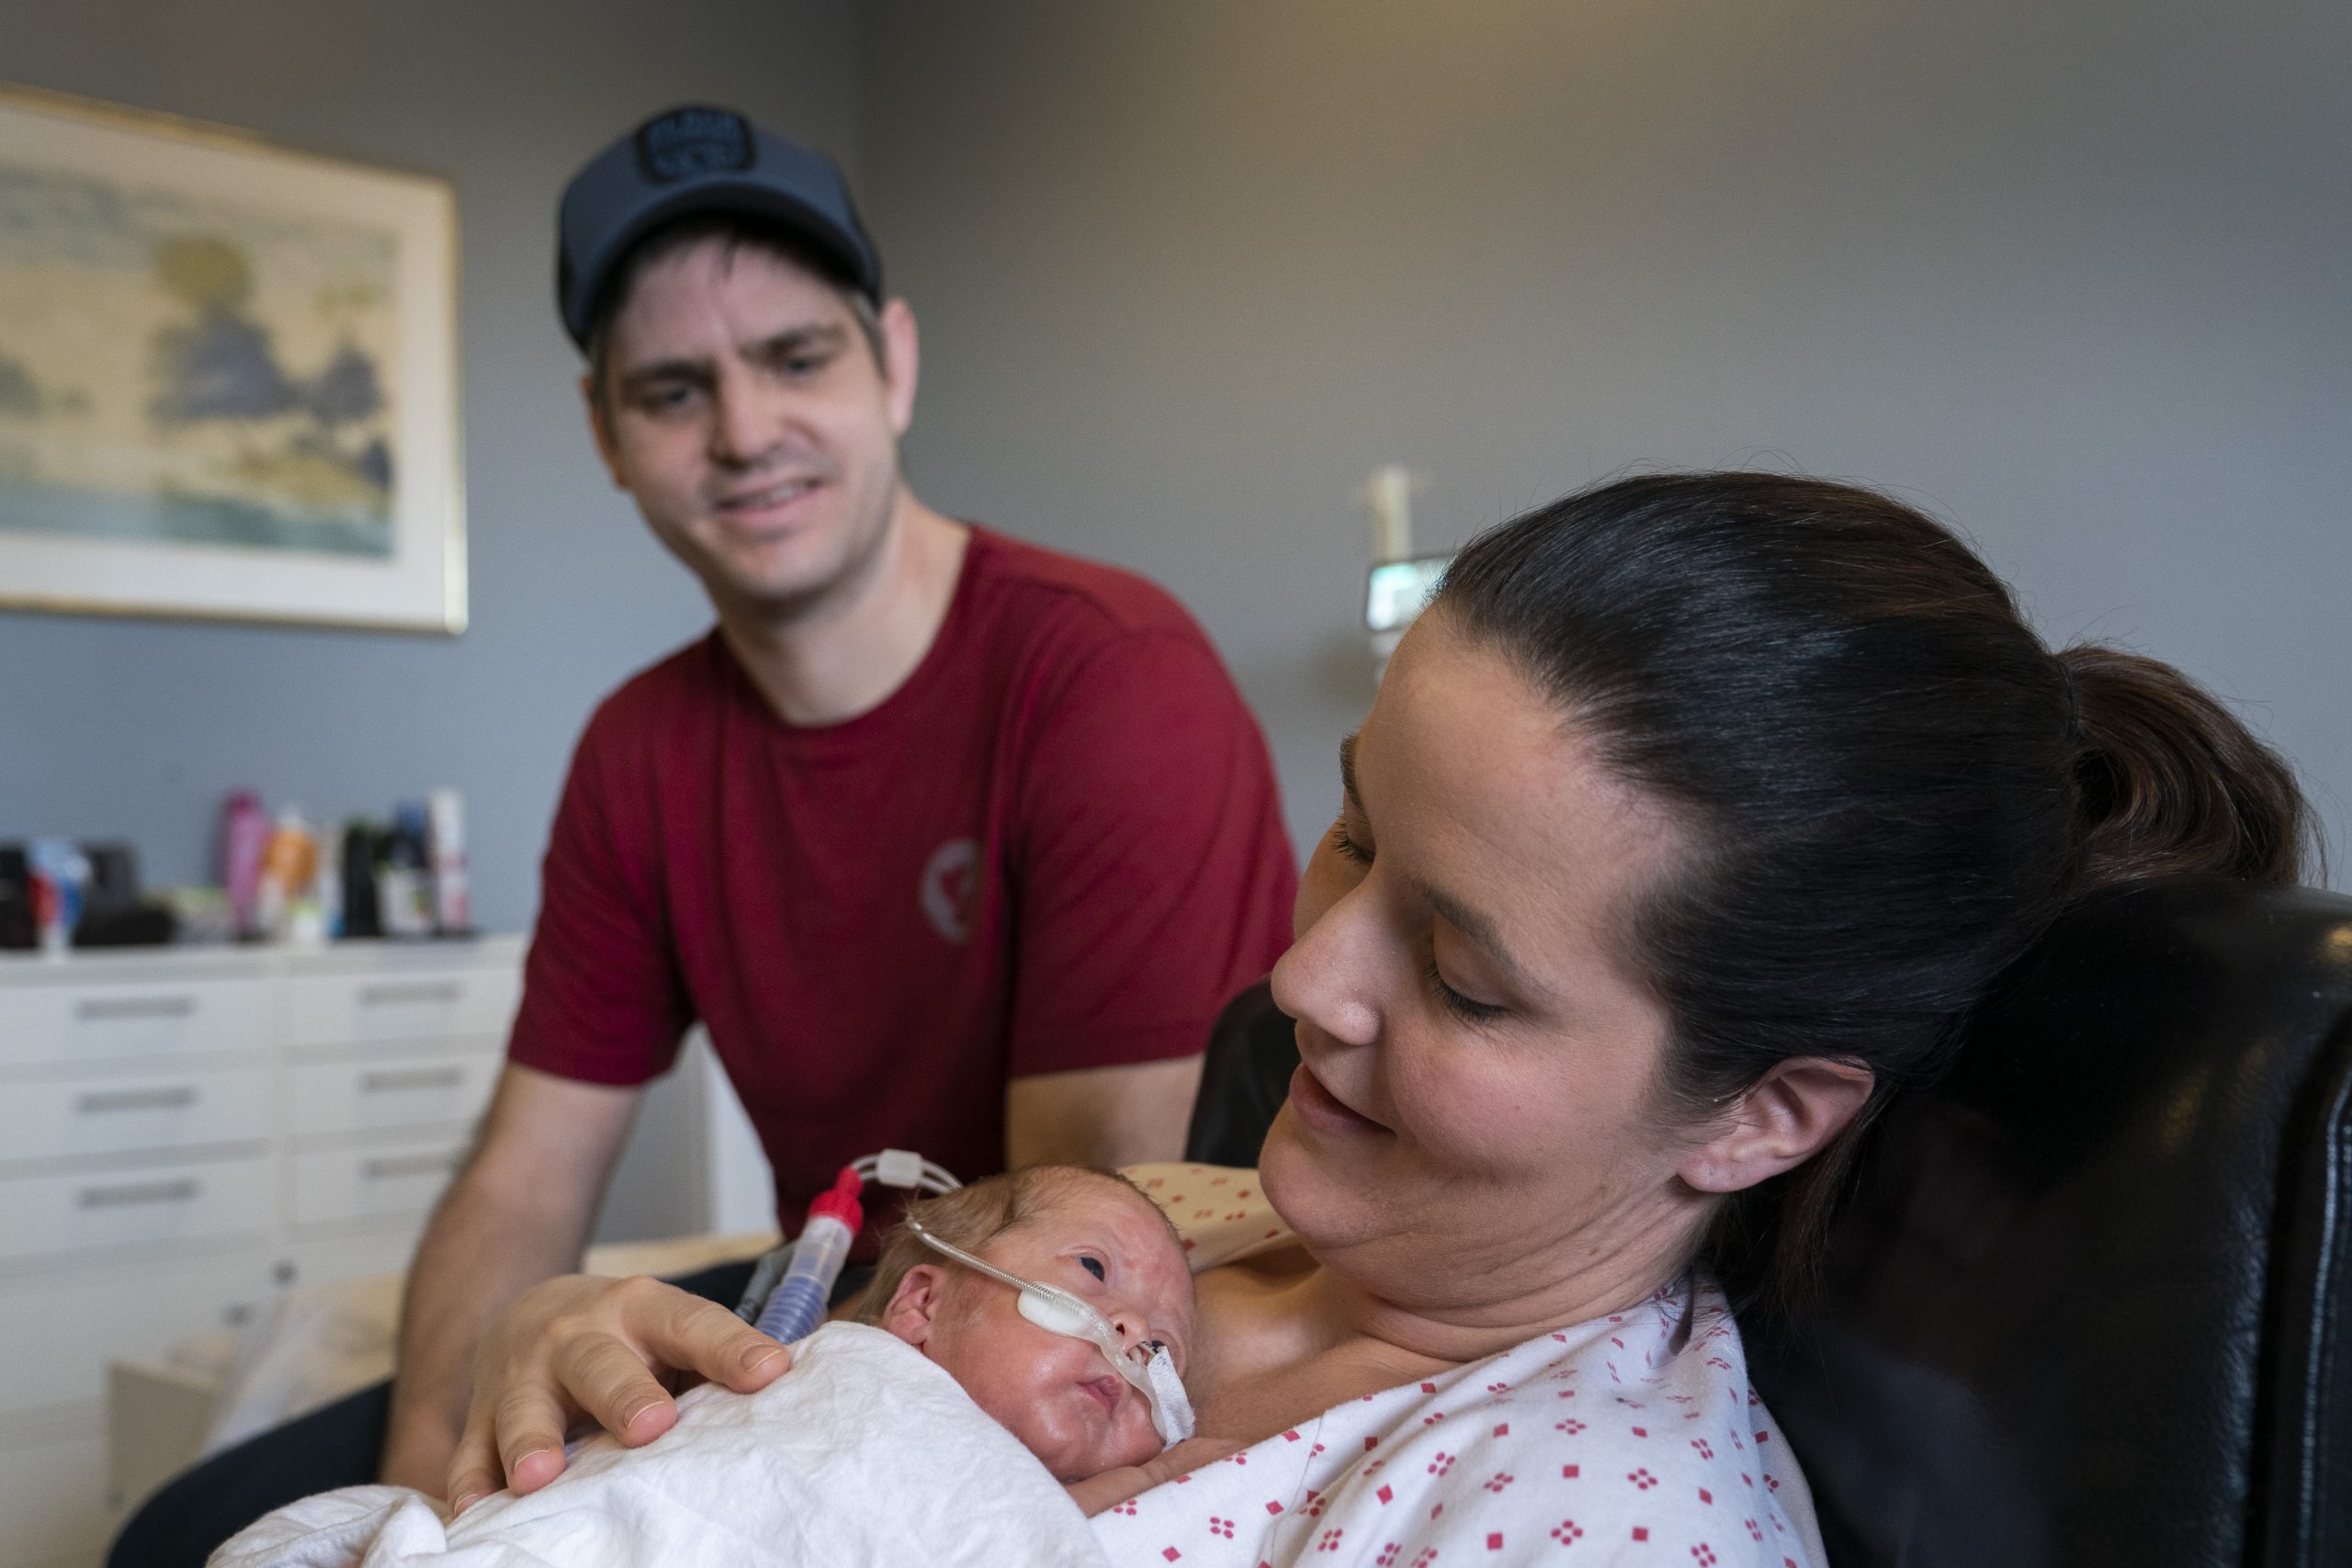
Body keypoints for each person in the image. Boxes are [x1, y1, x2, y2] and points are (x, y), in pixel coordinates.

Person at [435, 472, 2315, 1562]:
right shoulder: (1174, 1219)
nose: (1298, 977)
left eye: (1460, 976)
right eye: (1347, 833)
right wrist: (597, 1347)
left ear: (1756, 1112)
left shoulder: (1582, 1514)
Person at [373, 105, 1296, 1498]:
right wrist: (423, 1501)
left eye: (797, 358)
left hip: (1005, 1378)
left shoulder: (1107, 678)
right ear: (607, 432)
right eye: (675, 389)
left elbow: (1066, 1265)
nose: (746, 431)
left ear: (895, 362)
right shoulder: (640, 752)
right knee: (200, 1526)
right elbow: (522, 1181)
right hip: (835, 1316)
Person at [208, 1168, 1231, 1568]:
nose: (1128, 1335)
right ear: (922, 1303)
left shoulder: (1037, 1511)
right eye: (1092, 1275)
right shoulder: (840, 1375)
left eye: (1163, 1352)